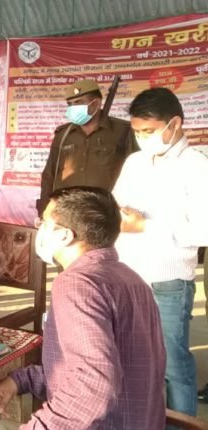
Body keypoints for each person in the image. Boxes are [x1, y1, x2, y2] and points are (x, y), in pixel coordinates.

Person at [0, 186, 166, 430]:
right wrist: (20, 380)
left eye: (44, 222)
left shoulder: (77, 284)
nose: (39, 228)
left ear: (64, 236)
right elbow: (89, 366)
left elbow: (93, 384)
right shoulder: (132, 279)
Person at [112, 87, 208, 419]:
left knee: (173, 364)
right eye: (137, 131)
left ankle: (182, 423)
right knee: (133, 357)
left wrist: (145, 226)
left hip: (167, 280)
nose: (142, 138)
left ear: (174, 123)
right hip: (129, 275)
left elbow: (203, 229)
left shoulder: (197, 166)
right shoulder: (135, 162)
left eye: (149, 131)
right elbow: (117, 203)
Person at [37, 79, 137, 216]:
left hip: (104, 213)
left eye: (78, 102)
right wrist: (44, 211)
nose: (73, 107)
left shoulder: (123, 131)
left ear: (96, 103)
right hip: (67, 212)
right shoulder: (63, 134)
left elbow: (136, 173)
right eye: (70, 104)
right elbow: (49, 175)